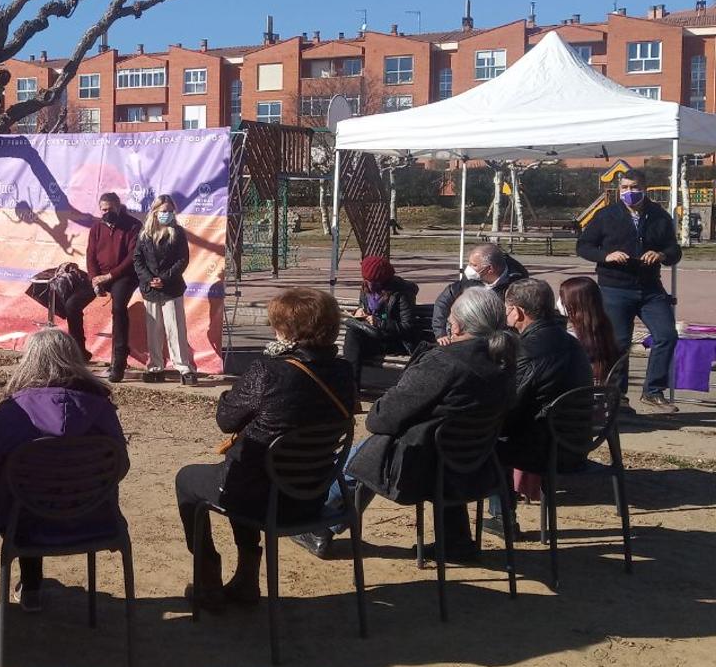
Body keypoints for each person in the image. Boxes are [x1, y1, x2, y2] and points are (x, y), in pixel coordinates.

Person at [176, 287, 355, 610]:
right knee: (248, 468)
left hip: (261, 497)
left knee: (189, 480)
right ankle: (246, 578)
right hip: (310, 496)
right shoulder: (344, 372)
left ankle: (207, 576)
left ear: (287, 331)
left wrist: (232, 394)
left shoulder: (268, 370)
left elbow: (226, 420)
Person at [311, 287, 517, 562]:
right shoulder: (504, 364)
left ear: (457, 325)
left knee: (369, 449)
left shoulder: (445, 362)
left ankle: (321, 525)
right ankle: (456, 539)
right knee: (412, 440)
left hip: (420, 470)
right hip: (475, 464)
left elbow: (380, 418)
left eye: (451, 315)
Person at [0, 328, 127, 613]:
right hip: (92, 517)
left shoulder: (13, 412)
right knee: (32, 491)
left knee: (17, 494)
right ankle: (27, 582)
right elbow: (120, 467)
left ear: (29, 361)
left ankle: (4, 558)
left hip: (22, 520)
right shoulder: (102, 409)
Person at [491, 279, 594, 538]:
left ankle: (503, 519)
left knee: (485, 438)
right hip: (577, 443)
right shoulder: (572, 343)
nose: (505, 315)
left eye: (506, 309)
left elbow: (509, 405)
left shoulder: (527, 350)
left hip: (545, 448)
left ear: (518, 312)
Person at [577, 167, 682, 412]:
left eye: (634, 188)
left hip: (650, 289)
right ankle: (617, 396)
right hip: (615, 287)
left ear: (645, 189)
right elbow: (583, 246)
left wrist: (661, 254)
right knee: (619, 343)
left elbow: (674, 250)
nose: (629, 192)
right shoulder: (606, 215)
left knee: (666, 335)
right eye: (624, 188)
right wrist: (606, 255)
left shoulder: (659, 216)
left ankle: (653, 391)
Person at [75, 192, 142, 380]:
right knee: (72, 304)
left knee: (118, 308)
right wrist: (95, 279)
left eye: (110, 209)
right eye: (103, 209)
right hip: (100, 276)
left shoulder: (134, 225)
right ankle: (80, 353)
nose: (106, 212)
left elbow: (132, 256)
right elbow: (90, 255)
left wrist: (110, 276)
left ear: (118, 207)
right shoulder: (96, 228)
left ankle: (118, 362)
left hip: (123, 276)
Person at [133, 194, 198, 386]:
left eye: (170, 211)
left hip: (172, 288)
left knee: (175, 328)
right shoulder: (144, 234)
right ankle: (155, 367)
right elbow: (137, 259)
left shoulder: (177, 232)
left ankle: (183, 368)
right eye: (163, 211)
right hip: (150, 289)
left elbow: (182, 259)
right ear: (154, 212)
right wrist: (149, 279)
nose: (166, 215)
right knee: (154, 330)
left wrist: (165, 278)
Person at [342, 255, 423, 389]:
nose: (370, 284)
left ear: (384, 280)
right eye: (367, 280)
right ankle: (351, 390)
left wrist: (380, 323)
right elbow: (363, 307)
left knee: (353, 343)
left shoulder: (401, 292)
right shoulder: (365, 288)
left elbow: (407, 326)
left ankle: (350, 391)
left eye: (374, 281)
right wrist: (359, 313)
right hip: (372, 335)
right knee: (353, 334)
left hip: (394, 340)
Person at [431, 243, 528, 343]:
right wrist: (441, 333)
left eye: (474, 265)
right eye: (469, 263)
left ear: (490, 269)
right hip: (469, 332)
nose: (468, 269)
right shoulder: (471, 278)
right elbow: (443, 301)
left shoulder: (518, 285)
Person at [559, 276, 622, 384]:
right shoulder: (607, 330)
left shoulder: (569, 340)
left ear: (573, 305)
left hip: (573, 396)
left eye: (562, 298)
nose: (558, 302)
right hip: (602, 394)